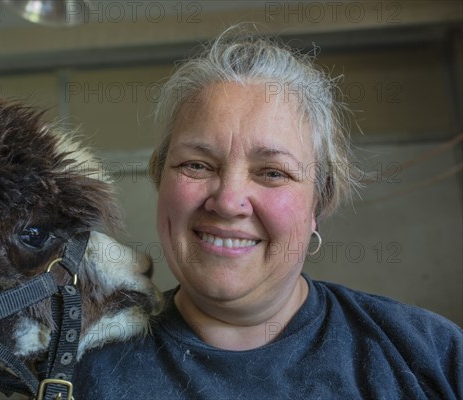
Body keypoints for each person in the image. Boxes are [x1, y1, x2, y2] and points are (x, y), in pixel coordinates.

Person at [73, 25, 462, 399]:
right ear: (161, 178)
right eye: (197, 164)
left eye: (272, 172)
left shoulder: (431, 355)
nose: (228, 201)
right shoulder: (80, 372)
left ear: (318, 204)